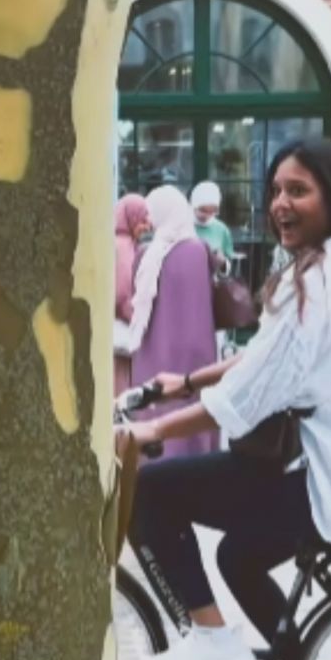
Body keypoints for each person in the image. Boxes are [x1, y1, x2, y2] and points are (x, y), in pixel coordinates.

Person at [124, 139, 331, 660]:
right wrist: (183, 381)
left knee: (154, 491)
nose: (281, 203)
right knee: (239, 556)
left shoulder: (320, 286)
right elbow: (264, 358)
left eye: (298, 191)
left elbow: (247, 397)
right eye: (276, 190)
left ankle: (211, 638)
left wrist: (154, 429)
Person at [116, 186, 219, 458]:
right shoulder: (200, 250)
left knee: (155, 404)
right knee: (194, 406)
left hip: (154, 347)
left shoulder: (147, 255)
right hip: (198, 350)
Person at [113, 194, 152, 396]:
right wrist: (137, 318)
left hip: (113, 323)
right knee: (119, 387)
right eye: (142, 220)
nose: (147, 226)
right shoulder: (124, 246)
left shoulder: (117, 241)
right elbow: (122, 292)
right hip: (120, 325)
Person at [191, 181, 236, 275]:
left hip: (210, 284)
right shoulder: (183, 225)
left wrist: (222, 262)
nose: (207, 215)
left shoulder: (221, 229)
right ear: (194, 205)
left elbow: (228, 266)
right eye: (203, 210)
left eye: (212, 211)